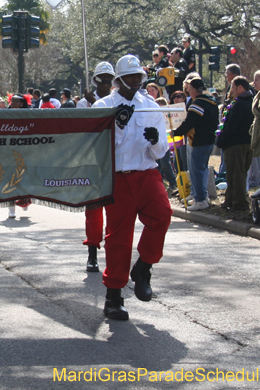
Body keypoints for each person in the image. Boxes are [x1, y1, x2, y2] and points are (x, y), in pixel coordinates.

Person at [93, 55, 173, 321]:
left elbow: (161, 151)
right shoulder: (103, 106)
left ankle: (144, 267)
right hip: (117, 177)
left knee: (162, 215)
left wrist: (155, 140)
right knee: (118, 237)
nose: (136, 80)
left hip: (146, 172)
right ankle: (113, 296)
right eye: (131, 76)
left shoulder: (150, 106)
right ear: (119, 79)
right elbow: (98, 147)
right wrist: (117, 125)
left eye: (139, 75)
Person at [80, 62, 116, 272]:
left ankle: (114, 251)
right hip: (92, 161)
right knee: (93, 212)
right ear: (95, 80)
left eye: (109, 78)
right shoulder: (83, 103)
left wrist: (97, 103)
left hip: (115, 161)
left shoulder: (118, 100)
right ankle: (92, 253)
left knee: (116, 212)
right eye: (102, 78)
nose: (106, 82)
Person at [172, 78, 219, 210]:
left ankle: (200, 199)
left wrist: (176, 132)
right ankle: (200, 194)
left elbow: (190, 122)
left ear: (192, 89)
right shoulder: (211, 102)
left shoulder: (198, 104)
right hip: (209, 140)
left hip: (199, 141)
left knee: (196, 171)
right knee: (201, 169)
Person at [215, 76, 254, 211]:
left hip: (236, 144)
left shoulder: (241, 104)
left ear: (240, 87)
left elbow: (231, 125)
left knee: (237, 174)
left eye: (232, 87)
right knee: (233, 173)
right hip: (246, 142)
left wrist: (222, 139)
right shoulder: (250, 101)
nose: (231, 90)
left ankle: (240, 203)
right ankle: (230, 200)